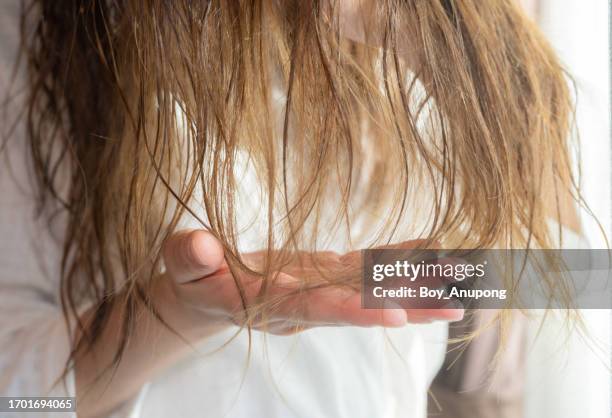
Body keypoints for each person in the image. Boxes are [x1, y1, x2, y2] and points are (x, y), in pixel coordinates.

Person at [0, 1, 582, 417]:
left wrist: (426, 37)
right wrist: (178, 310)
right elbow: (18, 403)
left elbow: (581, 278)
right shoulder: (39, 37)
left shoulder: (467, 26)